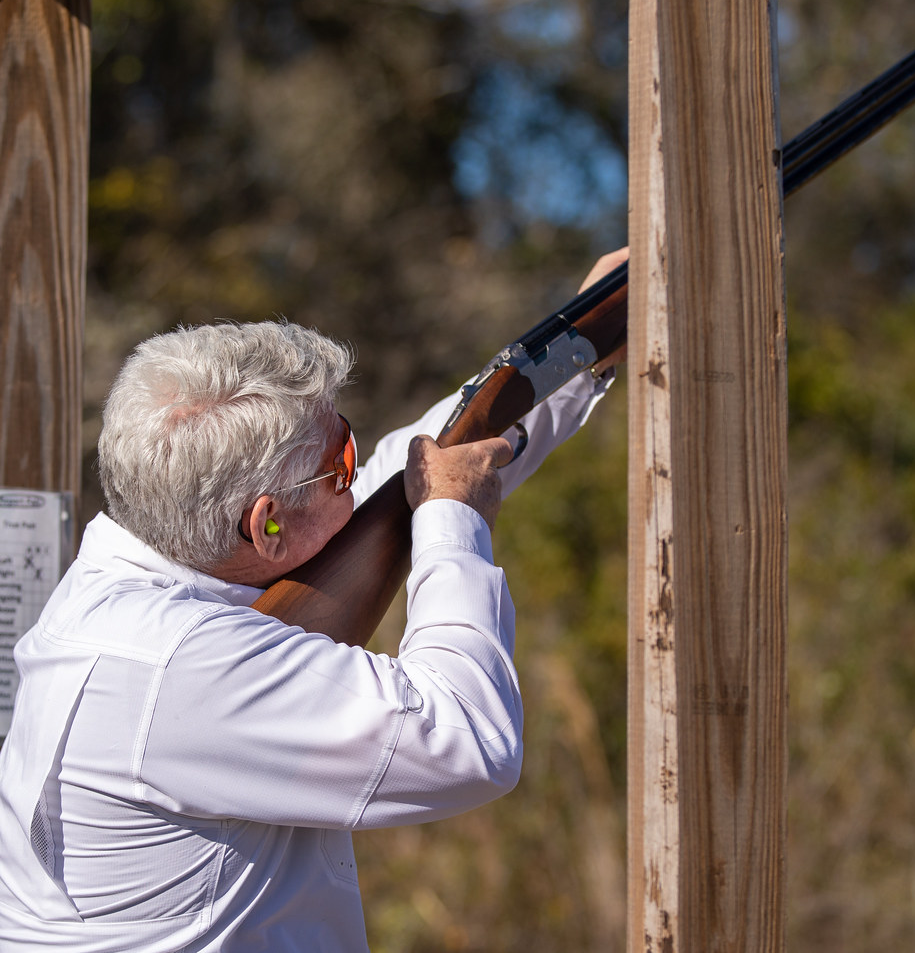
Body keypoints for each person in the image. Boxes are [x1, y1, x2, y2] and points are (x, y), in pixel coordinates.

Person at [0, 249, 626, 952]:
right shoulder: (182, 664)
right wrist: (455, 520)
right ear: (267, 525)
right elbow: (469, 740)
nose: (360, 470)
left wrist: (580, 347)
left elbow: (416, 464)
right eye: (343, 464)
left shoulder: (126, 584)